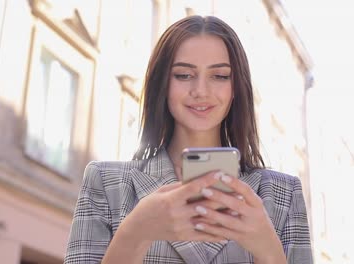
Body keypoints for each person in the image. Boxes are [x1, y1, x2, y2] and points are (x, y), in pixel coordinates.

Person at [64, 15, 313, 264]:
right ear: (162, 83)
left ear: (236, 87)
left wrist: (268, 249)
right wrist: (135, 232)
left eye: (220, 76)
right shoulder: (106, 184)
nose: (201, 91)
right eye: (183, 75)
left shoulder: (283, 194)